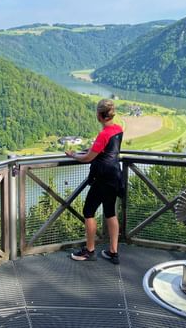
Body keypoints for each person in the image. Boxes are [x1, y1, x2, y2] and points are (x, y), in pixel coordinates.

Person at [65, 99, 123, 264]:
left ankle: (89, 251)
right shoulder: (118, 129)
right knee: (110, 212)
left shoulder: (103, 134)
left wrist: (74, 155)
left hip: (103, 178)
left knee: (88, 211)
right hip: (115, 176)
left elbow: (88, 158)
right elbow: (107, 150)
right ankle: (113, 252)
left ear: (99, 115)